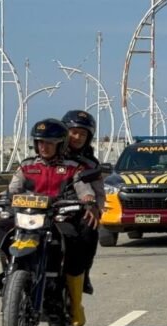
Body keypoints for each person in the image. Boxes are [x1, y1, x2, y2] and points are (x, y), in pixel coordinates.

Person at [0, 118, 99, 326]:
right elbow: (12, 190)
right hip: (28, 217)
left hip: (57, 218)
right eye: (40, 142)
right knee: (0, 228)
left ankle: (75, 304)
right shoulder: (27, 166)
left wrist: (88, 199)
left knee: (74, 240)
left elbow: (84, 189)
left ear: (60, 144)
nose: (44, 147)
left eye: (49, 143)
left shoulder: (73, 168)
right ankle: (9, 272)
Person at [60, 110, 105, 297]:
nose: (77, 137)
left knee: (89, 228)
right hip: (46, 208)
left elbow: (99, 192)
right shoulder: (51, 155)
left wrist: (95, 208)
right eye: (74, 132)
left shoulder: (90, 164)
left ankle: (83, 273)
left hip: (79, 209)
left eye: (83, 134)